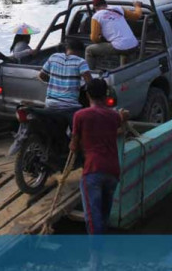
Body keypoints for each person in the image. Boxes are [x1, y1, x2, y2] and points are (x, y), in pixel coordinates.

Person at [70, 78, 129, 235]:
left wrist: (76, 143)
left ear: (87, 95)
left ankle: (95, 255)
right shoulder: (114, 116)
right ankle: (100, 251)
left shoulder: (80, 116)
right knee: (103, 214)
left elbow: (74, 146)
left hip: (93, 170)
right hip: (113, 170)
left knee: (92, 216)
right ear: (105, 95)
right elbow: (120, 129)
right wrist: (124, 118)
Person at [85, 0, 142, 70]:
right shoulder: (118, 9)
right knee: (121, 48)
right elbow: (137, 16)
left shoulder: (96, 16)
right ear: (106, 4)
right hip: (134, 44)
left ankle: (90, 74)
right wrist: (137, 6)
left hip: (120, 47)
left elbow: (94, 38)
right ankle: (122, 70)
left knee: (89, 50)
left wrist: (101, 40)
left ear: (95, 7)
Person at [39, 39, 92, 117]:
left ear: (67, 48)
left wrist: (54, 82)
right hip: (70, 107)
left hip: (50, 104)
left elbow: (41, 76)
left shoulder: (54, 57)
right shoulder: (81, 62)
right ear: (81, 52)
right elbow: (90, 84)